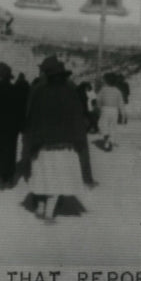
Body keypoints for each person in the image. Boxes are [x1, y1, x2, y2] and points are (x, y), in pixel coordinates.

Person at [25, 56, 87, 223]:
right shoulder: (70, 93)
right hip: (64, 146)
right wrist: (79, 142)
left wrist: (32, 143)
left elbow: (31, 119)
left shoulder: (40, 92)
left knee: (42, 176)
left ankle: (40, 207)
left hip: (43, 145)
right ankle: (49, 212)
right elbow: (78, 119)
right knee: (57, 179)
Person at [97, 73, 124, 152]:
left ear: (106, 81)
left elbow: (98, 100)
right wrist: (123, 114)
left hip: (105, 109)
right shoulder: (117, 91)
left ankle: (107, 140)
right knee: (112, 126)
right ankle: (110, 141)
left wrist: (99, 108)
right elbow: (121, 103)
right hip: (114, 110)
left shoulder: (103, 90)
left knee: (102, 125)